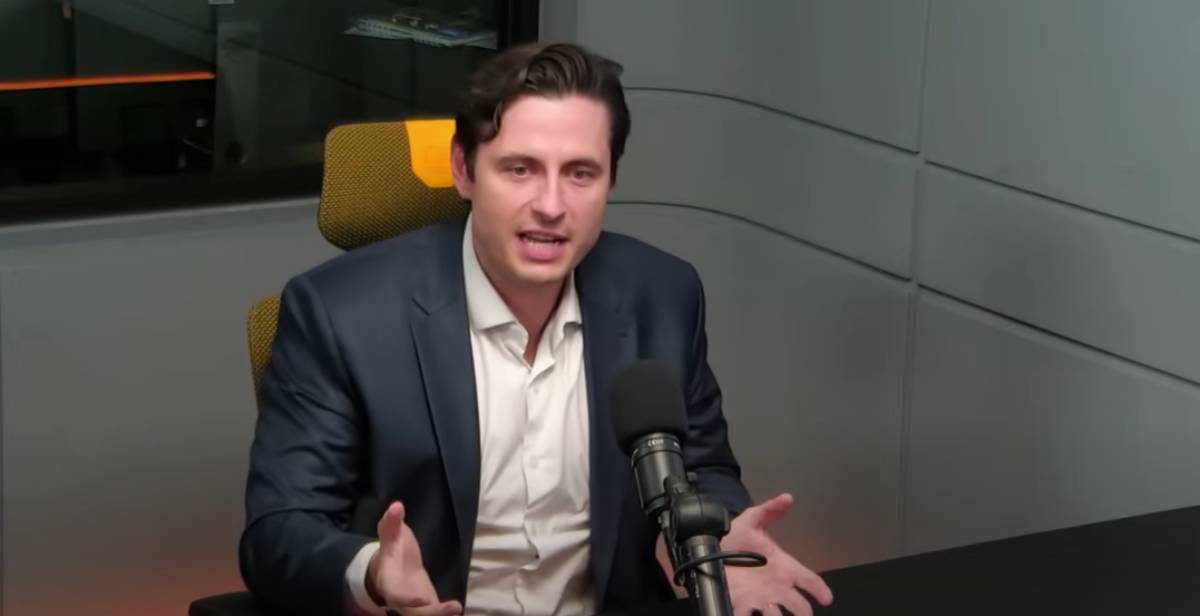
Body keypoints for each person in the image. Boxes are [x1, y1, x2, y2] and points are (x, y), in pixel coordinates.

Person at [240, 41, 832, 616]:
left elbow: (699, 469)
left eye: (580, 173)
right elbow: (279, 533)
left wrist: (723, 540)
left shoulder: (662, 295)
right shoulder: (340, 313)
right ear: (463, 169)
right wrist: (371, 571)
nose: (551, 204)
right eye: (520, 169)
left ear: (610, 181)